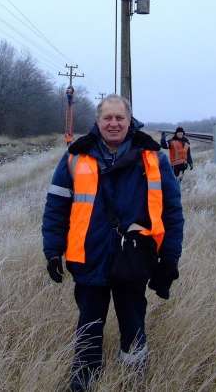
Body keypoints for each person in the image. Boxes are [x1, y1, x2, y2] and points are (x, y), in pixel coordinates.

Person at [42, 94, 184, 391]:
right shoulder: (74, 157)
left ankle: (133, 383)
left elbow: (172, 212)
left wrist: (169, 259)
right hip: (89, 258)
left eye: (120, 117)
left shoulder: (154, 158)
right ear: (97, 121)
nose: (114, 123)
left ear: (129, 120)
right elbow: (56, 207)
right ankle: (83, 383)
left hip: (134, 260)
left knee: (134, 329)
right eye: (108, 117)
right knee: (89, 329)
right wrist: (53, 250)